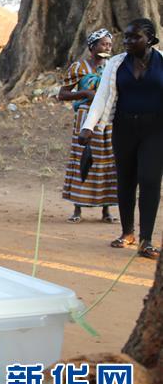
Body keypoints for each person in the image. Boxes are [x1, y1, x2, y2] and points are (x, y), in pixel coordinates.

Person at [80, 18, 163, 259]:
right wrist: (89, 127)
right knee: (126, 180)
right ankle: (127, 232)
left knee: (149, 180)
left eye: (134, 37)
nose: (127, 42)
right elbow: (102, 97)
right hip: (124, 128)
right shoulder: (116, 64)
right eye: (125, 37)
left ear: (150, 40)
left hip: (156, 129)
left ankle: (146, 240)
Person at [58, 29, 118, 224]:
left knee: (106, 161)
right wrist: (85, 94)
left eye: (109, 45)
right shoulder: (79, 67)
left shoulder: (112, 67)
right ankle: (77, 208)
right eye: (103, 44)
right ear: (92, 46)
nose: (107, 47)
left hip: (106, 118)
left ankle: (106, 211)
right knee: (83, 157)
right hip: (84, 117)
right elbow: (63, 94)